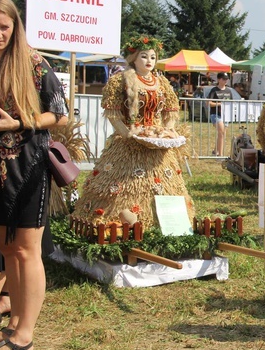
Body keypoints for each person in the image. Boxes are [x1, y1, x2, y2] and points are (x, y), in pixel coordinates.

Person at [0, 0, 68, 350]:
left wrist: (19, 121)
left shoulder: (32, 63)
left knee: (26, 252)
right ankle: (11, 326)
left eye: (4, 26)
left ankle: (24, 334)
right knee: (7, 249)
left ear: (15, 25)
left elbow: (59, 113)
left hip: (25, 167)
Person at [71, 36, 195, 228]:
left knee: (166, 185)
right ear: (133, 59)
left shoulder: (161, 83)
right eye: (144, 56)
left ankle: (165, 224)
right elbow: (112, 113)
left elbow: (171, 109)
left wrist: (166, 132)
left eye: (152, 57)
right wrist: (128, 133)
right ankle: (118, 221)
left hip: (157, 143)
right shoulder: (119, 81)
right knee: (124, 188)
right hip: (128, 143)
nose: (149, 61)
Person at [208, 72, 240, 156]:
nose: (225, 81)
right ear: (219, 79)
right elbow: (209, 103)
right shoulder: (214, 90)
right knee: (221, 132)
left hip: (226, 115)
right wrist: (220, 104)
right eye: (223, 79)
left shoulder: (229, 90)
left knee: (222, 134)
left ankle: (215, 151)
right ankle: (220, 155)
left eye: (226, 79)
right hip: (216, 114)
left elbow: (232, 102)